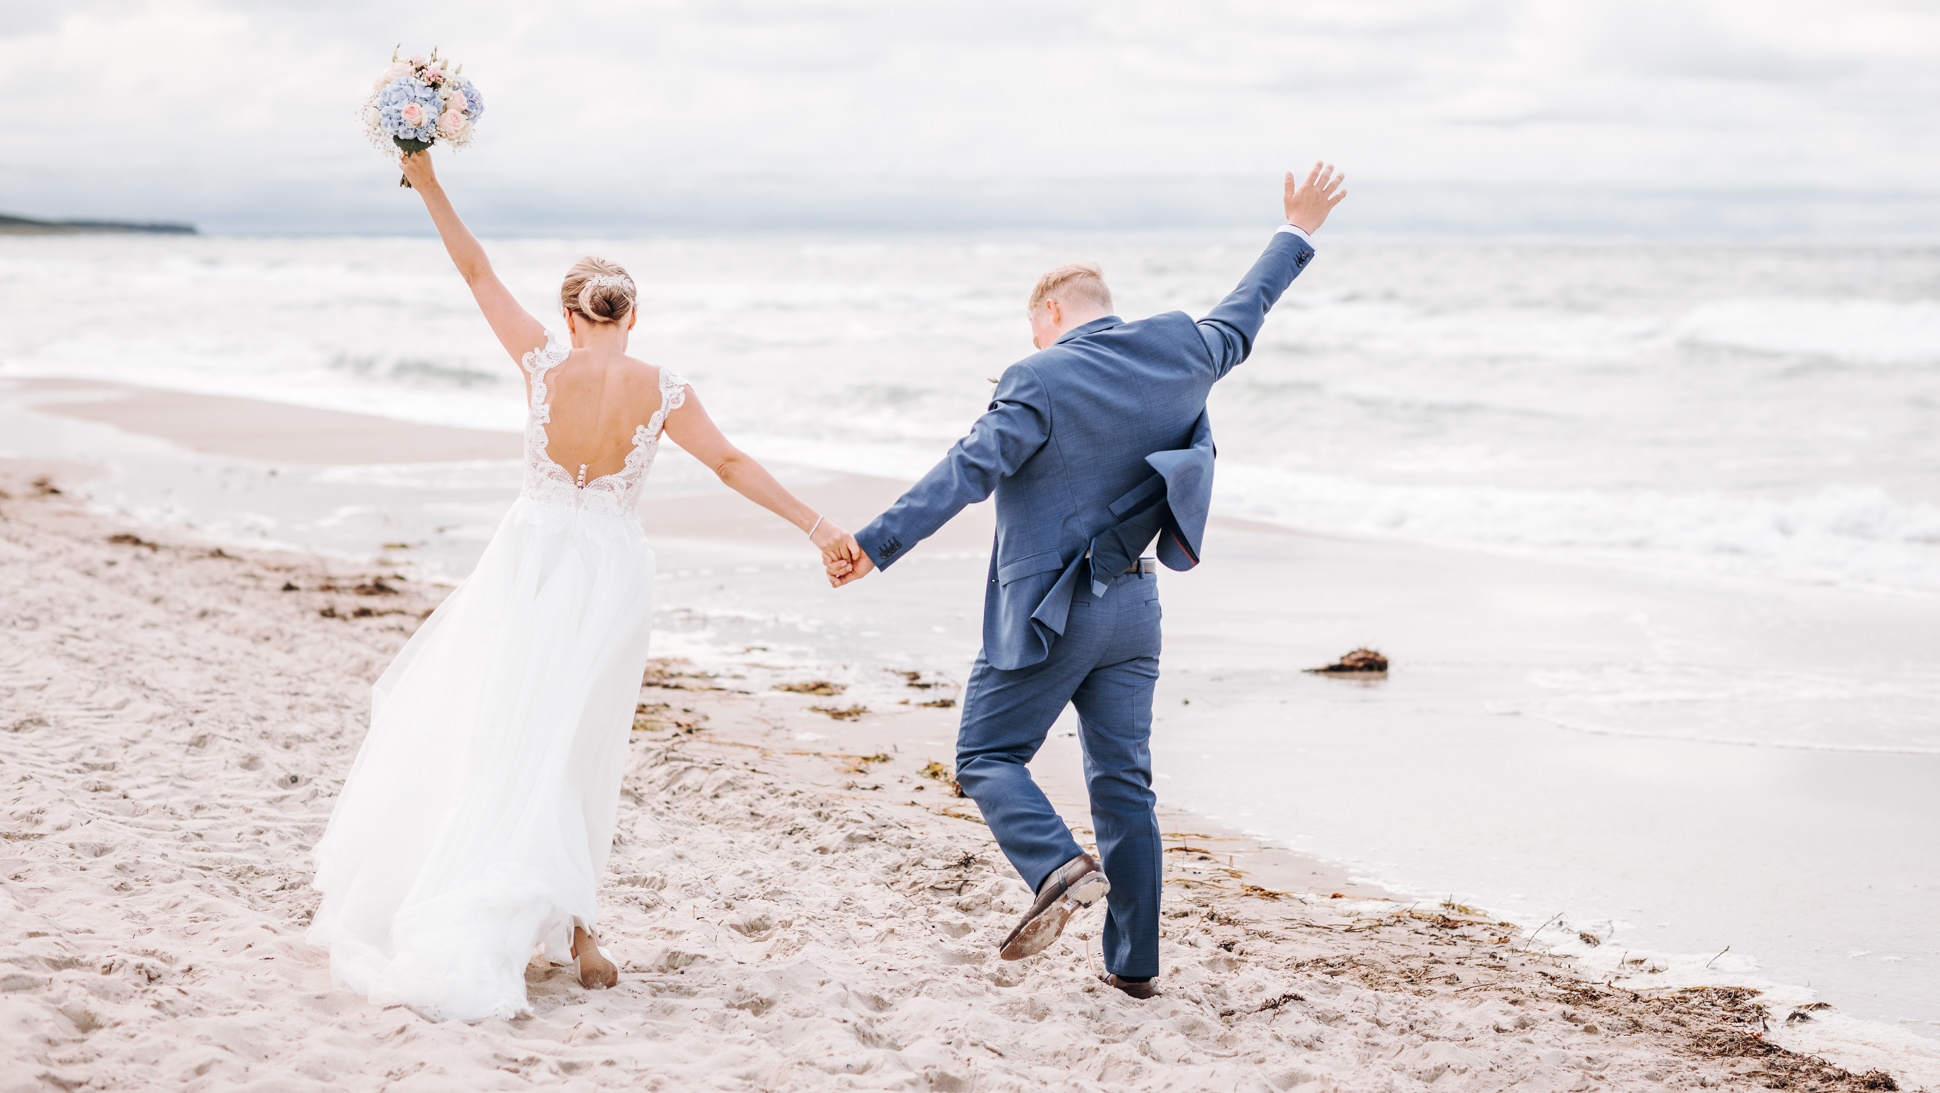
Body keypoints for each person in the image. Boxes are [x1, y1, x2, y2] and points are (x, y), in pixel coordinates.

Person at [309, 148, 856, 1022]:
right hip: (608, 572)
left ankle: (507, 902)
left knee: (502, 729)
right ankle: (579, 933)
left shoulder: (540, 362)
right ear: (632, 311)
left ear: (570, 313)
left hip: (528, 562)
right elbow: (729, 461)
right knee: (579, 745)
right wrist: (822, 527)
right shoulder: (663, 387)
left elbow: (475, 266)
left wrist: (425, 175)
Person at [825, 163, 1346, 998]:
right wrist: (1297, 229)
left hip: (1048, 613)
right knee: (1124, 783)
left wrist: (874, 543)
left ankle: (1058, 867)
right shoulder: (1183, 348)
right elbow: (1246, 315)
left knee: (987, 753)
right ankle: (1134, 965)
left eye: (1035, 330)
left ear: (1050, 315)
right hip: (1135, 608)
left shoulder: (1036, 377)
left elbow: (965, 473)